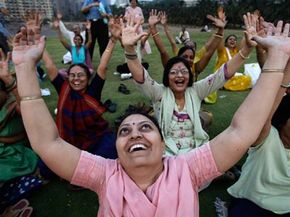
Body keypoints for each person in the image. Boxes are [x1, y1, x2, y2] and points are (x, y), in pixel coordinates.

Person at [12, 11, 290, 216]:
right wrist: (24, 66)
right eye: (125, 130)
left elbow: (241, 130)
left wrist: (277, 59)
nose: (134, 133)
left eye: (145, 128)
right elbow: (48, 143)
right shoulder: (104, 174)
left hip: (194, 152)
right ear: (116, 150)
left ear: (160, 141)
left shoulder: (188, 170)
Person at [124, 14, 250, 156]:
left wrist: (246, 49)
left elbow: (223, 74)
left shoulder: (196, 90)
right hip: (166, 154)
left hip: (196, 153)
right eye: (174, 72)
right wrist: (129, 50)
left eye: (184, 71)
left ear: (190, 75)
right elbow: (141, 76)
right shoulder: (158, 92)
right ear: (166, 76)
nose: (179, 75)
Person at [40, 15, 119, 160]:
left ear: (88, 78)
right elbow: (50, 67)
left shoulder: (93, 90)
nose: (76, 79)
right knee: (45, 165)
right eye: (72, 76)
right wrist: (39, 46)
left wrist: (112, 40)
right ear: (68, 78)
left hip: (95, 138)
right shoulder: (64, 89)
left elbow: (102, 66)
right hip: (69, 139)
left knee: (110, 153)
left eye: (81, 75)